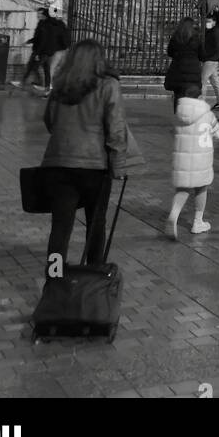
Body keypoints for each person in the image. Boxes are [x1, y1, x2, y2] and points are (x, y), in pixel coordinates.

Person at [39, 39, 128, 272]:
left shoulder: (60, 85)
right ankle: (94, 273)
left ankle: (54, 277)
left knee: (60, 229)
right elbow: (116, 129)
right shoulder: (108, 85)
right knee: (95, 224)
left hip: (58, 163)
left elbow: (49, 121)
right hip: (94, 166)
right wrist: (118, 167)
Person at [165, 80, 219, 239]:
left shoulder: (178, 114)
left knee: (183, 188)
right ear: (200, 97)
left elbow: (174, 133)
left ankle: (173, 215)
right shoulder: (208, 115)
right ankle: (198, 221)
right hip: (201, 161)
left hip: (182, 160)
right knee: (201, 188)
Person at [164, 17, 203, 113]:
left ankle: (179, 119)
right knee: (192, 99)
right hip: (193, 73)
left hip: (178, 71)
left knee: (178, 97)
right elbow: (202, 55)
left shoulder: (176, 38)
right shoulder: (196, 38)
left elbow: (170, 52)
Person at [199, 16, 219, 110]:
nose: (207, 23)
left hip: (210, 59)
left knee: (203, 81)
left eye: (209, 21)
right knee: (215, 81)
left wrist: (206, 55)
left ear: (214, 22)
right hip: (212, 59)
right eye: (206, 21)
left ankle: (201, 102)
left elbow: (217, 47)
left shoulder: (215, 32)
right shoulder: (212, 31)